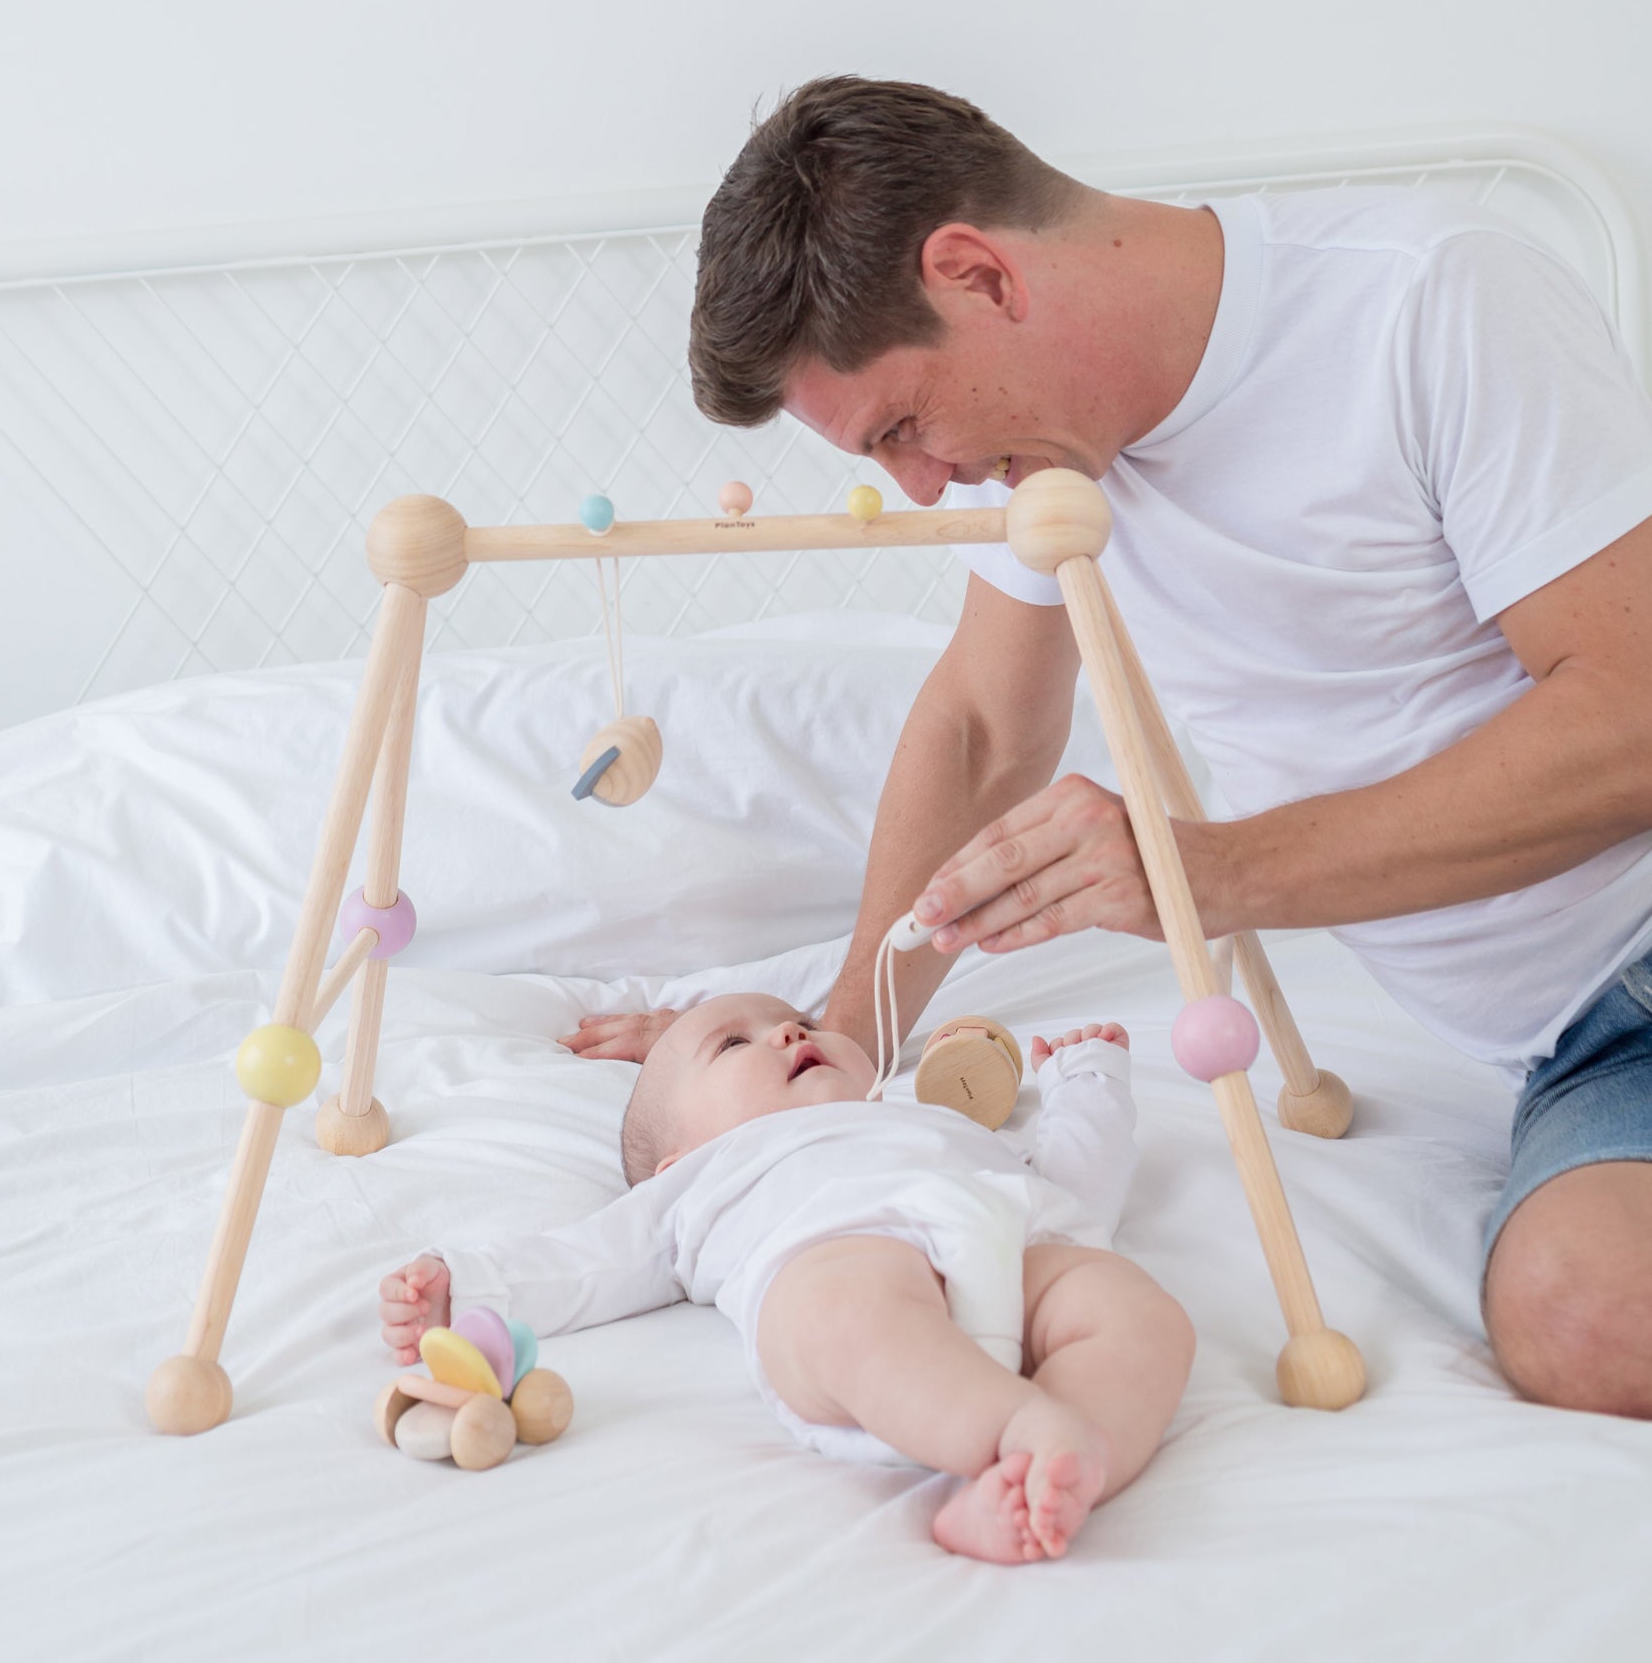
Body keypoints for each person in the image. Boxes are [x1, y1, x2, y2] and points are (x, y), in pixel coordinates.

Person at [567, 77, 1652, 1420]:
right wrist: (828, 1041)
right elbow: (978, 724)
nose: (919, 485)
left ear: (976, 276)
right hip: (1583, 1045)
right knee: (1584, 1316)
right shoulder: (1054, 462)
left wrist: (1205, 874)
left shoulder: (1427, 301)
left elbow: (1632, 718)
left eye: (902, 425)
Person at [380, 994, 1194, 1564]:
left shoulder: (928, 1116)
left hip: (1013, 1236)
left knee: (1136, 1311)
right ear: (679, 1156)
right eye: (733, 1045)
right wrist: (468, 1287)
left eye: (798, 1021)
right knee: (851, 1316)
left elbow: (1078, 1184)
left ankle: (1076, 1449)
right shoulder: (700, 1180)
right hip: (840, 1258)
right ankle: (1024, 1438)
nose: (784, 1034)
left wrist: (1088, 1084)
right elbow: (590, 1257)